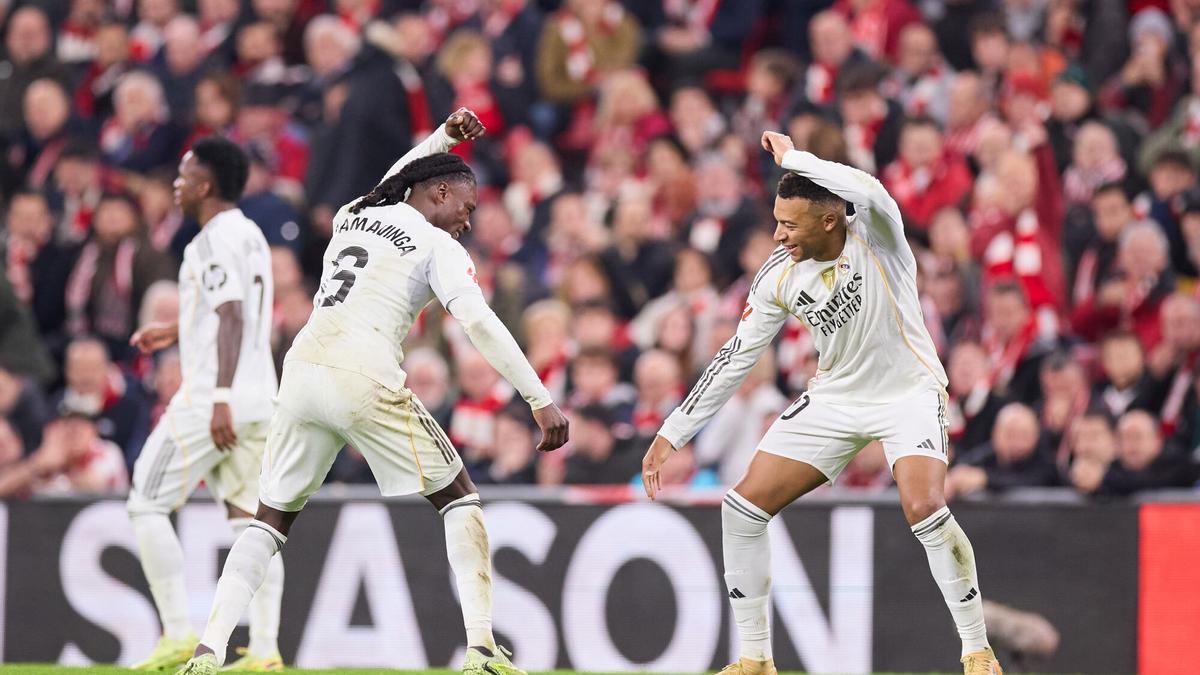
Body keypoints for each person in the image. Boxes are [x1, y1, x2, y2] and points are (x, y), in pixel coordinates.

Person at [177, 108, 568, 675]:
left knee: (268, 519)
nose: (467, 220)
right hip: (363, 372)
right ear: (438, 192)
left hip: (303, 368)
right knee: (459, 497)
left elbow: (395, 179)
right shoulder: (439, 248)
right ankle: (483, 652)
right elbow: (479, 322)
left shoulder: (354, 214)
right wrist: (538, 398)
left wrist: (444, 137)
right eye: (466, 205)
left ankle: (208, 652)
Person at [641, 130, 1004, 675]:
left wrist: (795, 158)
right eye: (776, 220)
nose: (778, 232)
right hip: (835, 395)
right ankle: (756, 660)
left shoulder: (878, 234)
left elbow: (871, 188)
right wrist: (674, 431)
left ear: (830, 219)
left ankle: (976, 649)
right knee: (741, 508)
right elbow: (735, 356)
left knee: (924, 506)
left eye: (790, 223)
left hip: (908, 390)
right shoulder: (779, 275)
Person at [125, 136, 283, 672]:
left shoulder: (209, 241)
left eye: (185, 173)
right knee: (251, 524)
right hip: (262, 396)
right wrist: (175, 329)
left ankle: (174, 634)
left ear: (207, 185)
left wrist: (217, 398)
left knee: (146, 501)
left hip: (216, 397)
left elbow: (233, 314)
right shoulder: (252, 235)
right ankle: (264, 651)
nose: (176, 182)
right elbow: (232, 309)